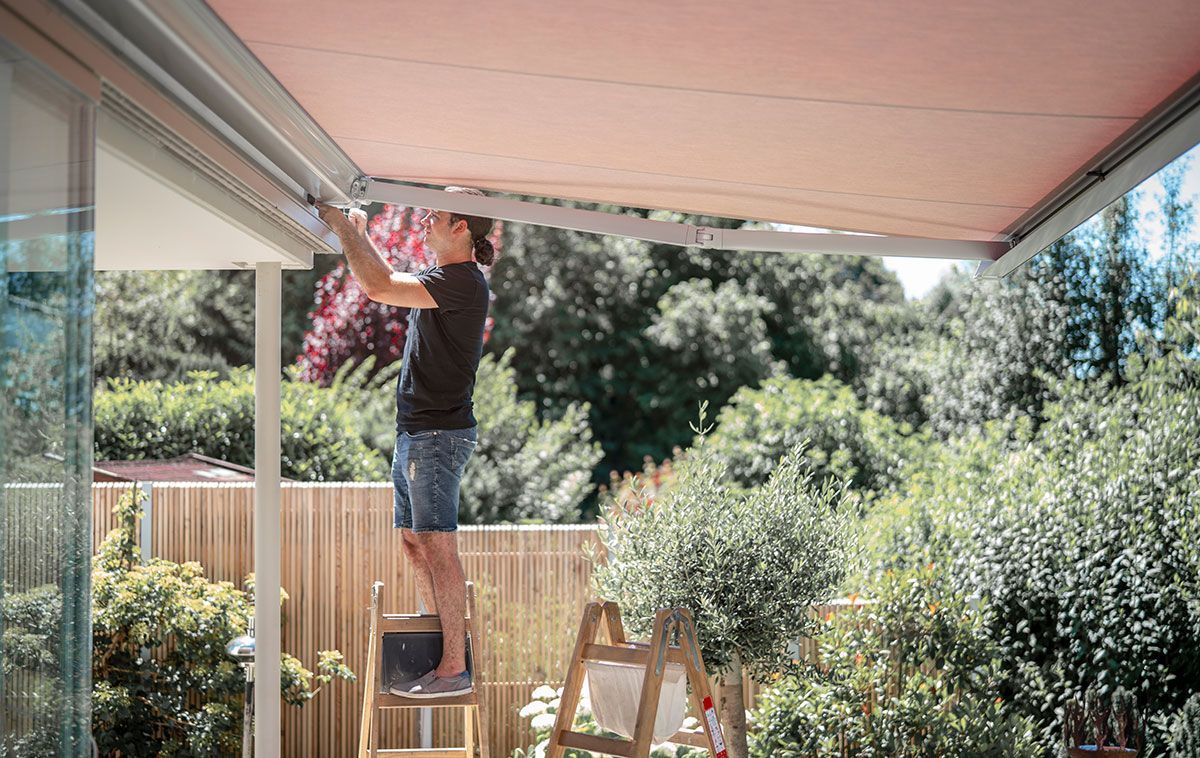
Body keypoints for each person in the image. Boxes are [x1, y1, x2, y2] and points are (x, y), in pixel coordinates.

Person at [315, 187, 495, 698]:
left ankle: (453, 669)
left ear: (460, 227)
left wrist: (344, 226)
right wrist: (362, 235)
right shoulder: (446, 280)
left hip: (437, 435)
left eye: (433, 216)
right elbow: (387, 278)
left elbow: (377, 285)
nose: (423, 222)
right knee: (414, 541)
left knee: (437, 543)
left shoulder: (462, 282)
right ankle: (436, 640)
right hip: (417, 432)